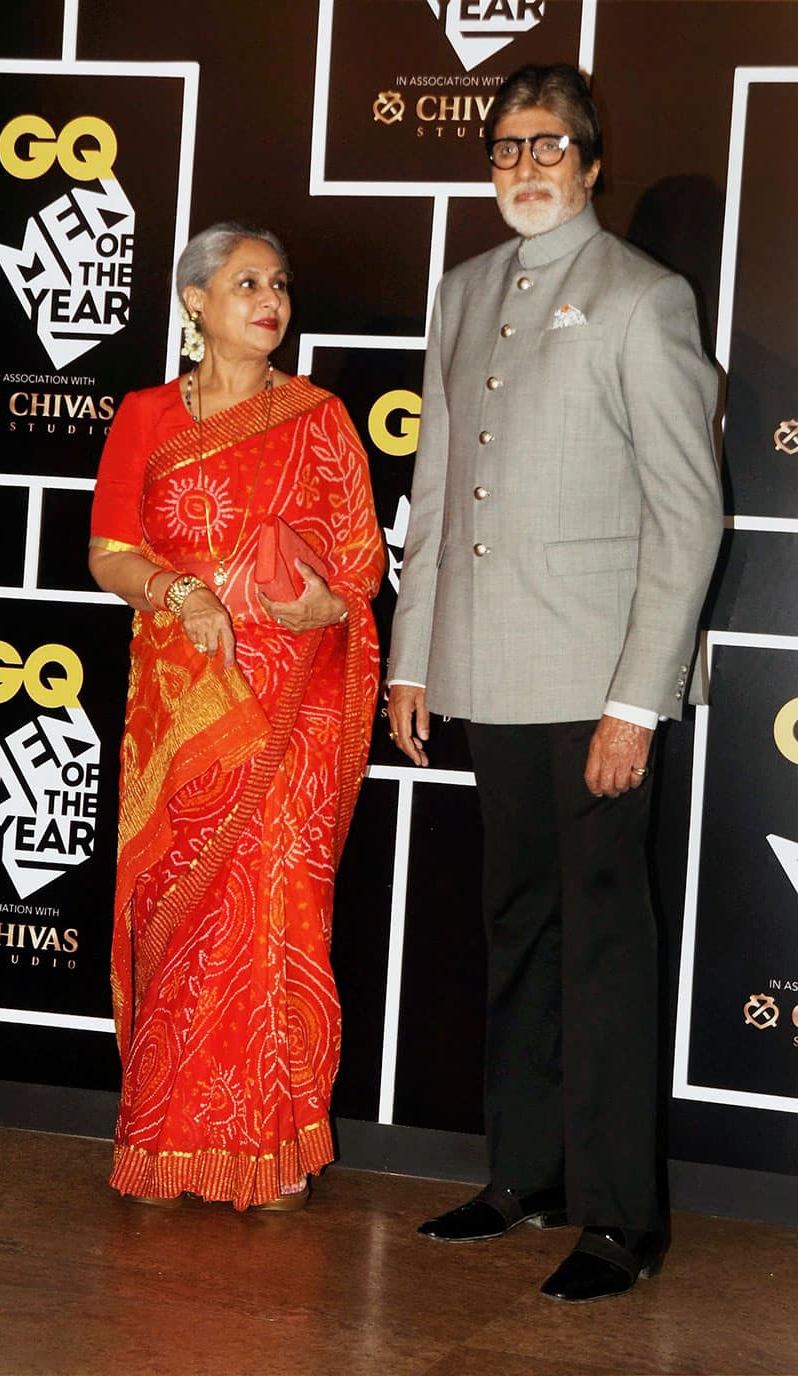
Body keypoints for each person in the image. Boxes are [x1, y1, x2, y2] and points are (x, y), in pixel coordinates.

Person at [387, 64, 722, 1302]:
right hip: (487, 667)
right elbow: (430, 496)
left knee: (602, 951)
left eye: (548, 147)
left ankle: (620, 1219)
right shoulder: (465, 290)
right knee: (514, 930)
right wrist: (415, 654)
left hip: (594, 684)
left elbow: (686, 517)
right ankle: (520, 1176)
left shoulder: (644, 300)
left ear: (589, 162)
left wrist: (636, 699)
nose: (523, 167)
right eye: (505, 148)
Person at [89, 222, 384, 1211]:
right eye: (245, 282)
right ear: (194, 302)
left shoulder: (321, 419)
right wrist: (179, 595)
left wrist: (327, 606)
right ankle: (165, 1138)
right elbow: (108, 554)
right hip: (184, 716)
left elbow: (356, 565)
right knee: (177, 918)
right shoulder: (144, 414)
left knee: (275, 916)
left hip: (288, 709)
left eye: (280, 284)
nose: (270, 300)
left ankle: (269, 1146)